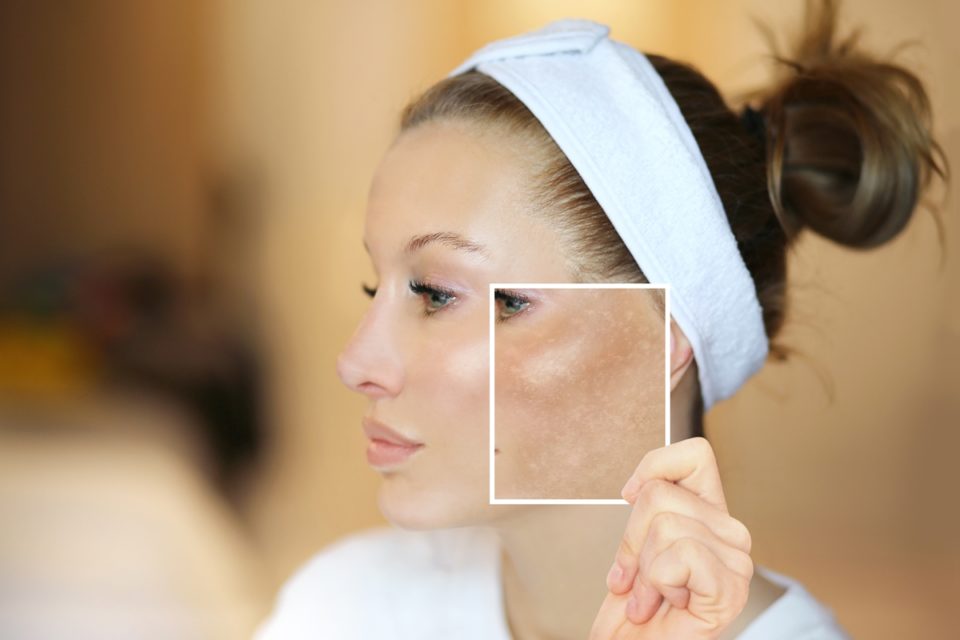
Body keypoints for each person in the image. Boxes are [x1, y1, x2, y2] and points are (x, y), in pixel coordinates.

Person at [254, 0, 947, 638]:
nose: (356, 363)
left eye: (436, 293)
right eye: (376, 286)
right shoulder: (342, 605)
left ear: (668, 336)